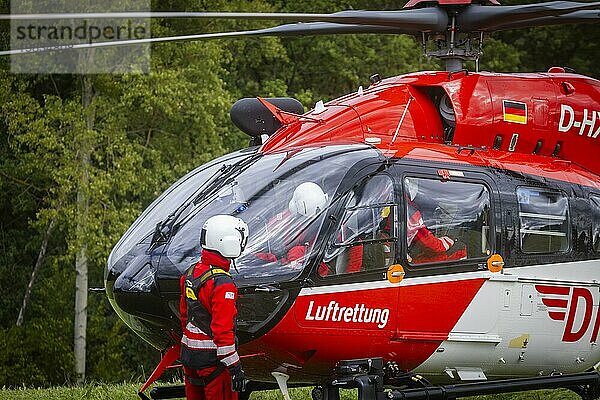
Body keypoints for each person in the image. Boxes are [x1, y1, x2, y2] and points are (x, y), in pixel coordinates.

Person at [179, 214, 249, 400]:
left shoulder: (191, 272)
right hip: (213, 361)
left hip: (189, 355)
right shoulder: (223, 283)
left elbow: (184, 316)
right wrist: (235, 367)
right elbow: (222, 331)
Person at [255, 181, 329, 274]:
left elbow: (325, 254)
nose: (308, 220)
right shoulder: (279, 222)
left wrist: (305, 253)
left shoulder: (325, 224)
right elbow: (265, 248)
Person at [405, 178, 466, 264]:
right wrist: (451, 240)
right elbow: (433, 246)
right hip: (404, 261)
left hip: (398, 252)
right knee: (459, 248)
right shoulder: (410, 212)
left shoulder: (401, 204)